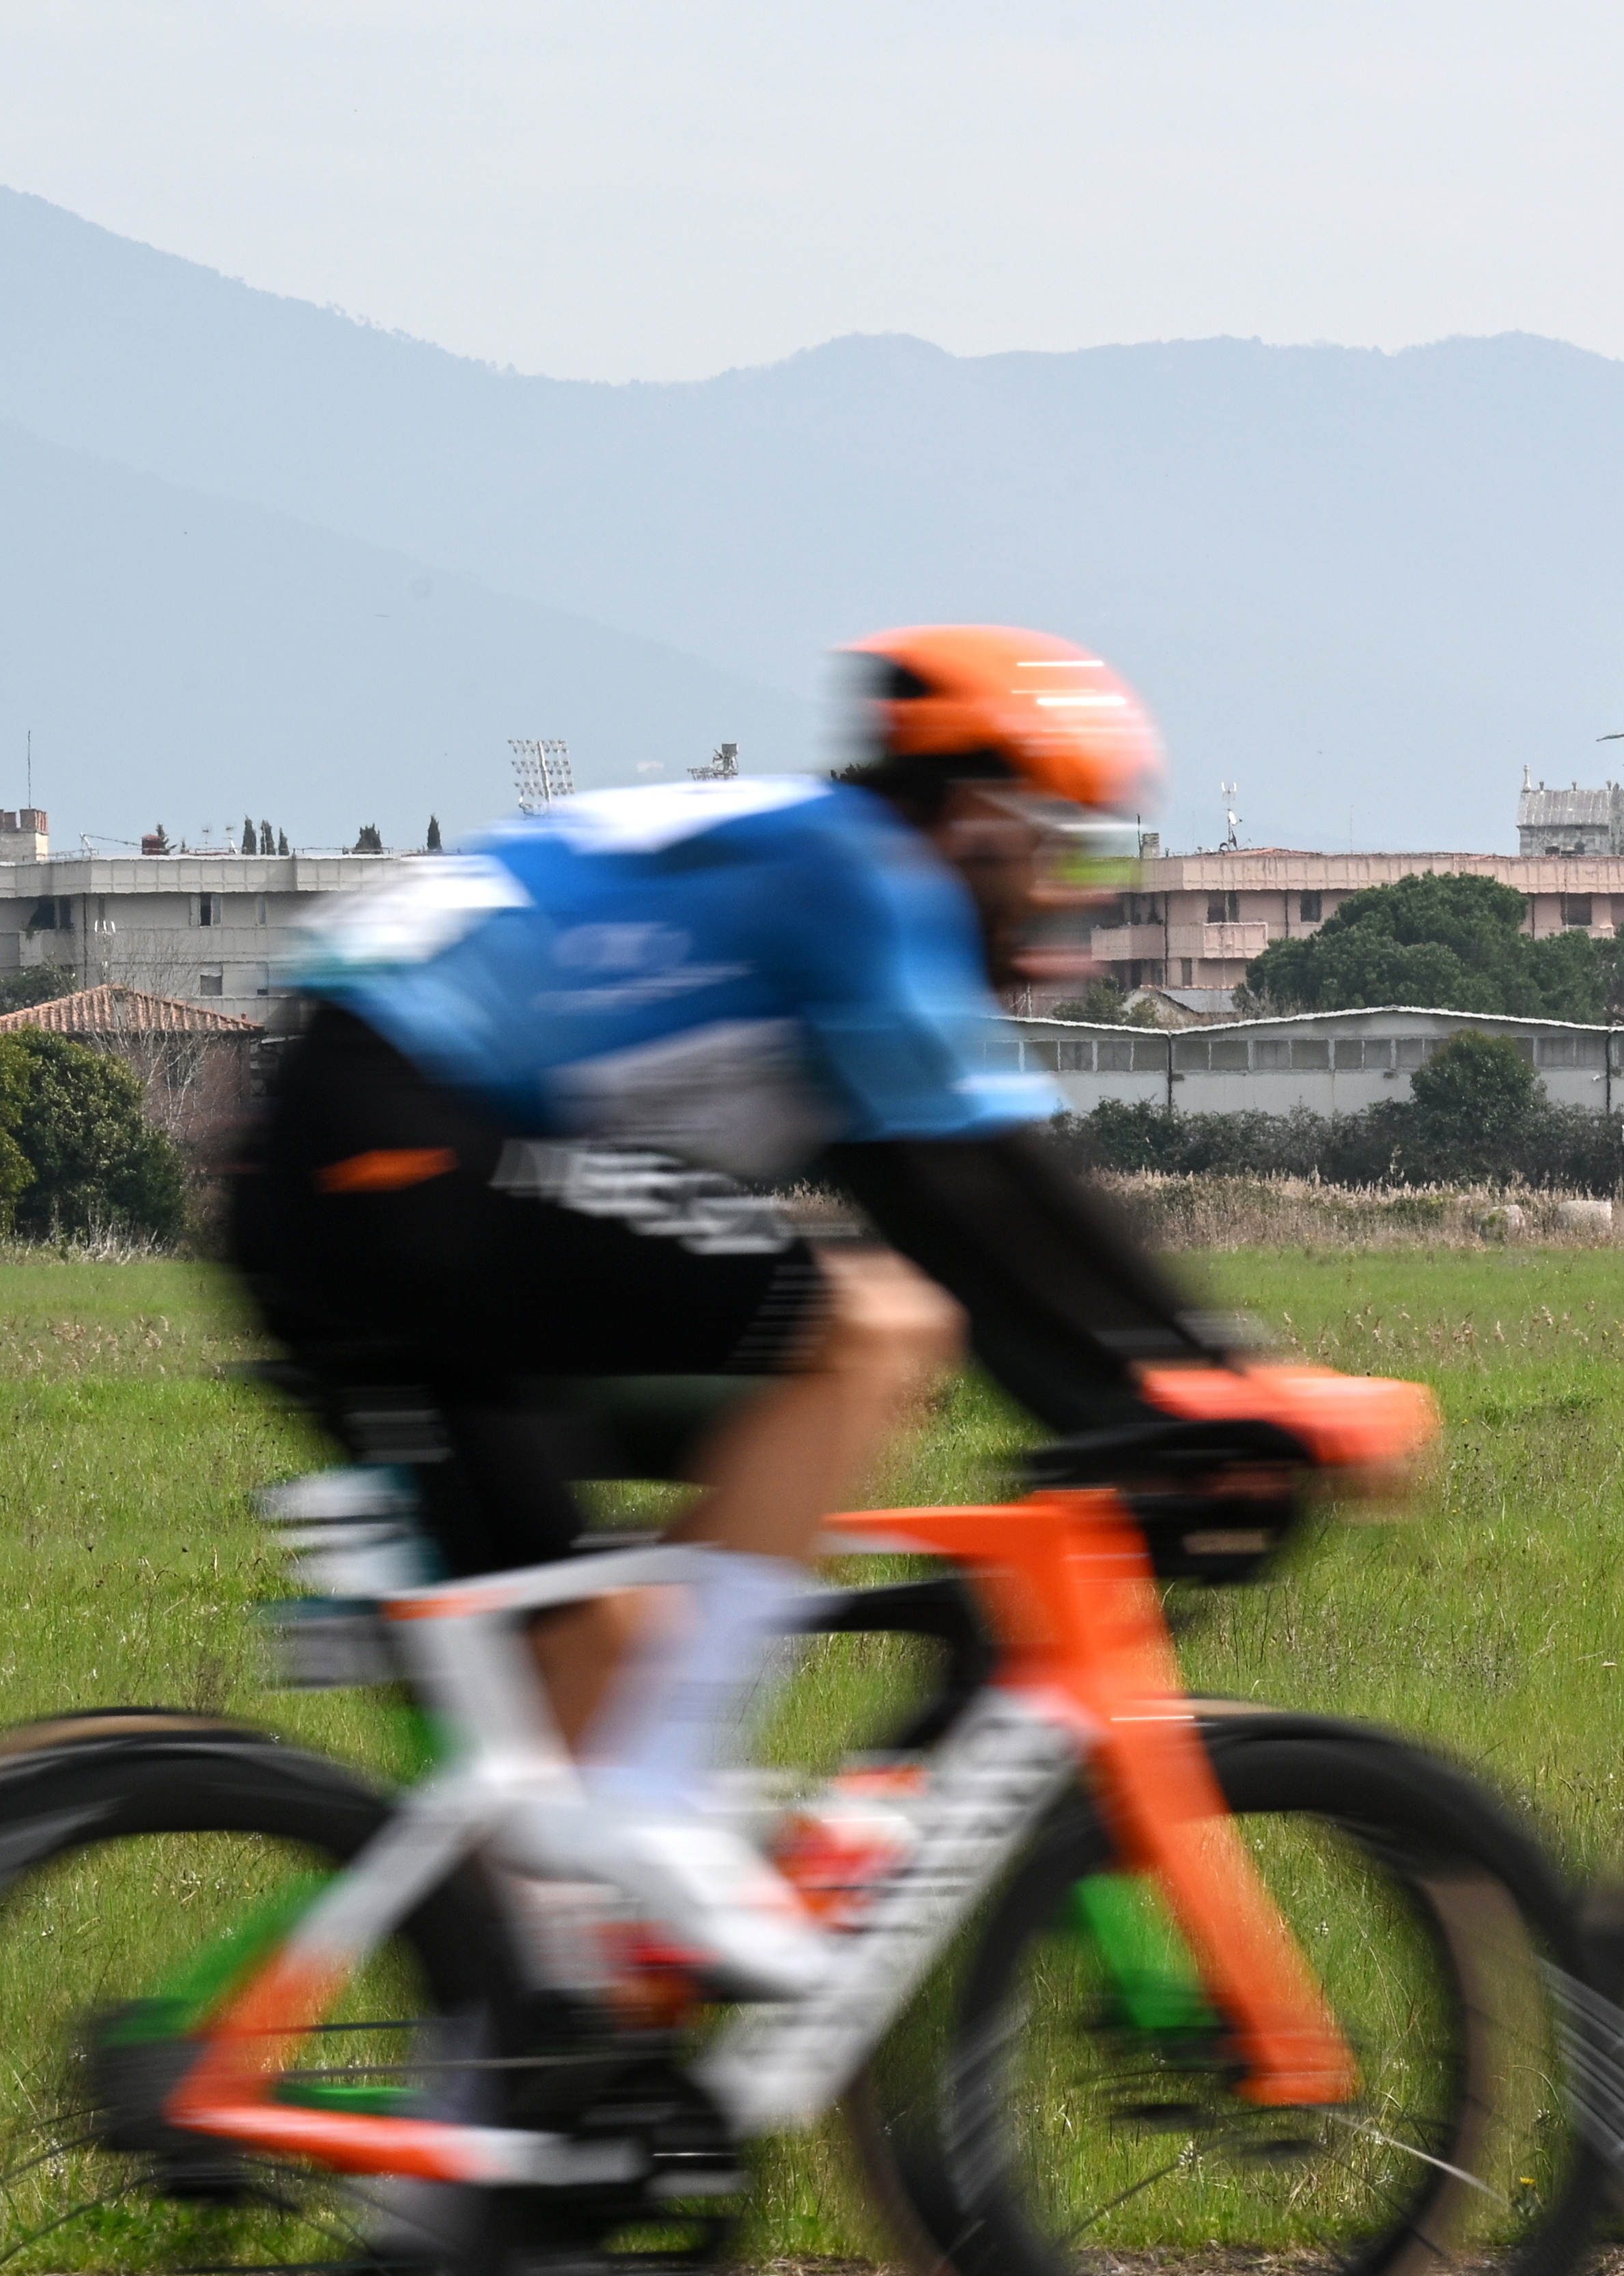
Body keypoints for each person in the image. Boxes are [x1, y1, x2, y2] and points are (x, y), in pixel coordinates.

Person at [233, 626, 1274, 2001]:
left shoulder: (800, 880)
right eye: (1071, 858)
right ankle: (665, 1800)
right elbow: (979, 1193)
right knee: (871, 1327)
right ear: (976, 824)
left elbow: (970, 1222)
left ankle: (524, 2139)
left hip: (333, 1175)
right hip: (404, 1151)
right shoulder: (862, 880)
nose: (1074, 915)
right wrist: (1218, 1389)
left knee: (582, 1725)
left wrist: (1152, 1398)